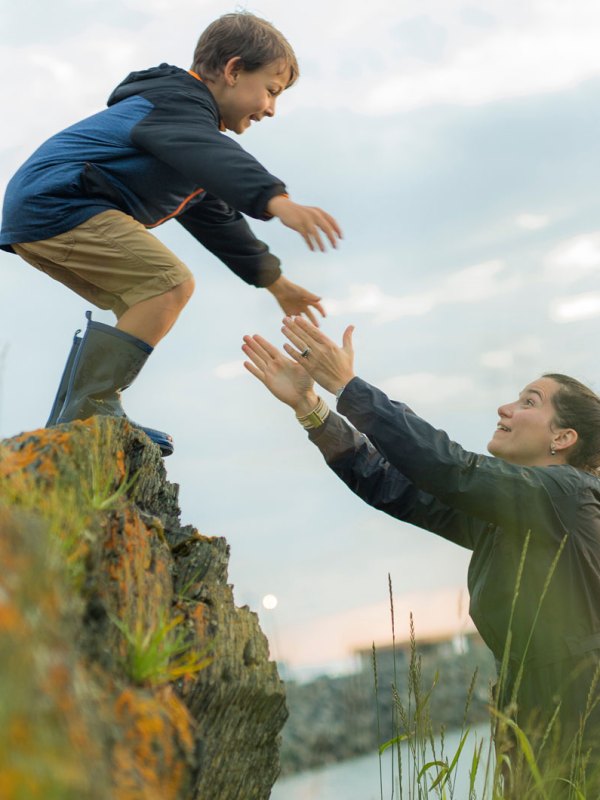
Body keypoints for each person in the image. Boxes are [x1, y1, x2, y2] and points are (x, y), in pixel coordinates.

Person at [242, 316, 600, 788]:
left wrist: (348, 386)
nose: (505, 407)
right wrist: (312, 410)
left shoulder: (569, 495)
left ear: (563, 438)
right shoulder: (513, 512)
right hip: (536, 737)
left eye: (528, 402)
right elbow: (397, 488)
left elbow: (450, 468)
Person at [0, 12, 341, 456]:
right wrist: (277, 200)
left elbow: (217, 218)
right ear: (234, 70)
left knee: (141, 300)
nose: (271, 109)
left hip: (42, 211)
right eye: (271, 91)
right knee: (168, 285)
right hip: (60, 202)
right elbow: (210, 153)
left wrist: (274, 282)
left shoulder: (182, 130)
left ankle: (75, 421)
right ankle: (89, 412)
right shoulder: (179, 105)